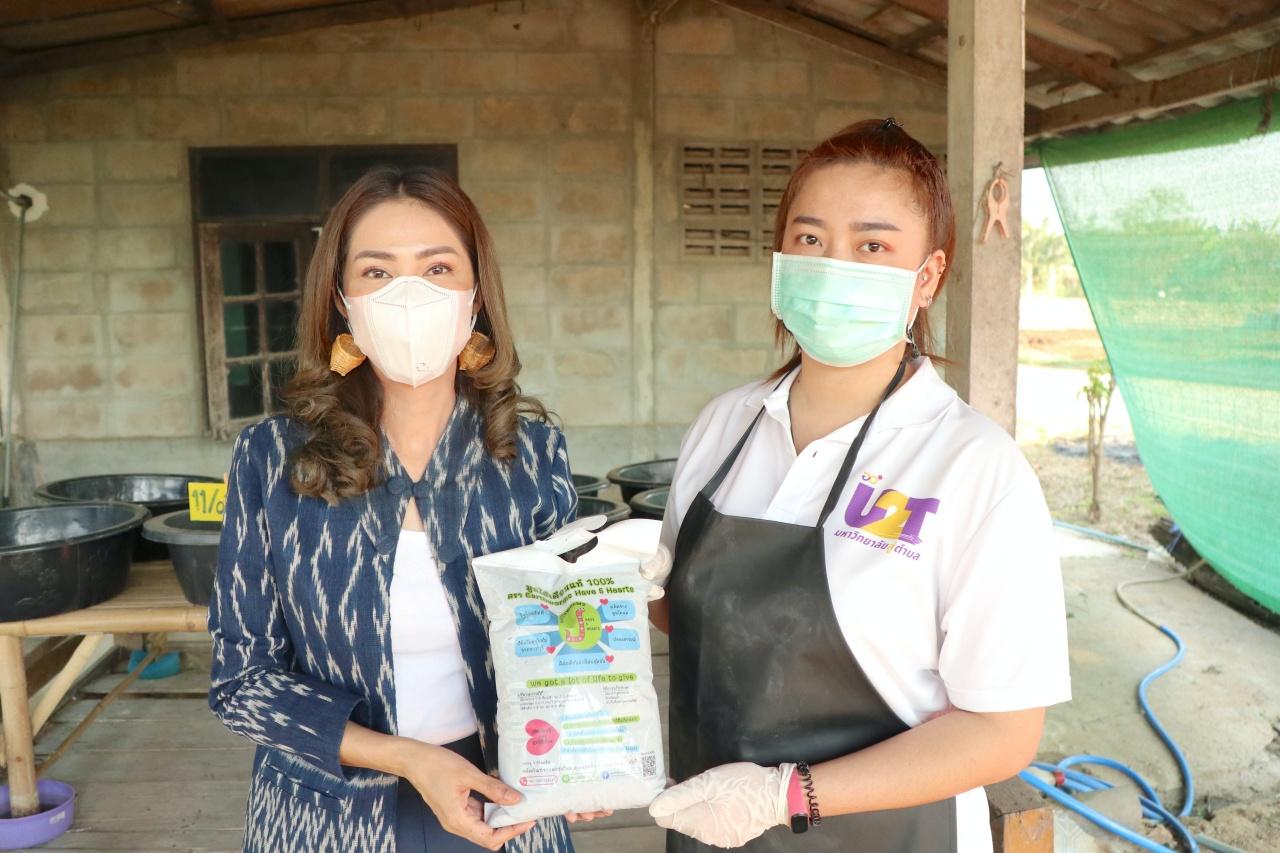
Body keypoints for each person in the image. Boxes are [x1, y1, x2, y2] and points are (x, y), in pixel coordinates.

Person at [646, 119, 1071, 852]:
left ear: (927, 277)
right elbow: (704, 624)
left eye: (872, 246)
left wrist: (787, 794)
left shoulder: (973, 466)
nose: (833, 264)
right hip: (709, 825)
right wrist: (627, 590)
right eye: (810, 239)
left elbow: (1003, 731)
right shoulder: (724, 427)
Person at [208, 167, 605, 853]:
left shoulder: (530, 452)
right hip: (322, 816)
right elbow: (241, 683)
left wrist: (588, 746)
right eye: (377, 272)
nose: (409, 294)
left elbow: (567, 640)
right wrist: (410, 759)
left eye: (437, 267)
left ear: (475, 296)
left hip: (506, 804)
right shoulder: (273, 458)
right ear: (342, 300)